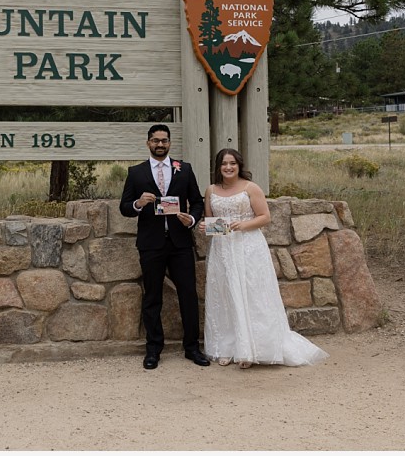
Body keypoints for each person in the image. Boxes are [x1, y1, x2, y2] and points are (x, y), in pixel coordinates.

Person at [199, 148, 329, 368]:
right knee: (226, 294)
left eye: (232, 163)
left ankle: (251, 349)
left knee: (252, 295)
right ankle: (228, 347)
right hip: (222, 249)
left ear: (239, 165)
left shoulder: (251, 188)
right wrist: (205, 227)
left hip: (248, 246)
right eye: (224, 164)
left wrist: (243, 225)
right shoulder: (211, 190)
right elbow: (213, 223)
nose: (228, 167)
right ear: (218, 167)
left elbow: (265, 217)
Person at [120, 124, 209, 370]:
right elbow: (124, 207)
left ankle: (192, 347)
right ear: (148, 142)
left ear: (170, 143)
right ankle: (153, 350)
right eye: (156, 140)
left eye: (164, 141)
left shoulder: (184, 169)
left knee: (188, 296)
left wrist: (191, 219)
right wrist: (138, 203)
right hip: (151, 245)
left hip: (180, 243)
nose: (160, 144)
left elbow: (198, 202)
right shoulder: (136, 172)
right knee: (152, 297)